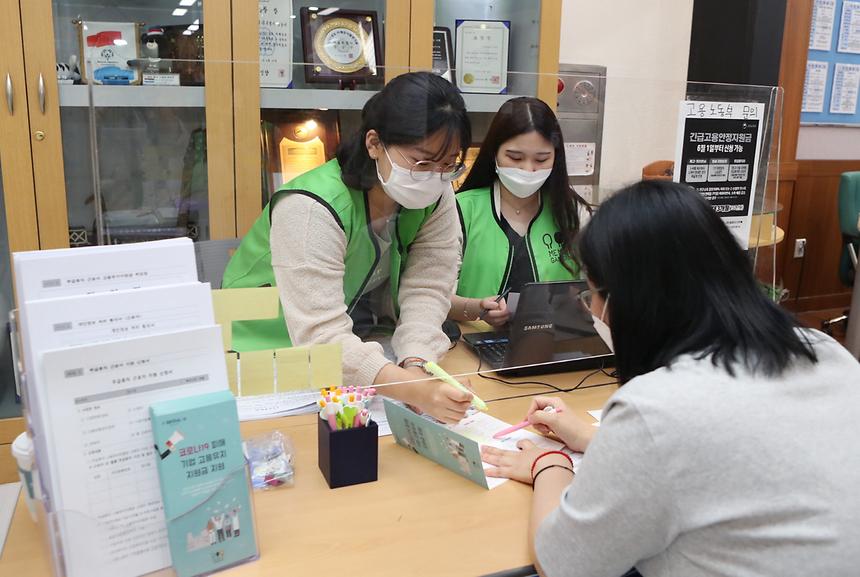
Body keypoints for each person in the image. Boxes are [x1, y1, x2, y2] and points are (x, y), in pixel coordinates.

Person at [480, 180, 860, 576]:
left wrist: (550, 464)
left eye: (590, 292)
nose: (591, 308)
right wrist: (592, 439)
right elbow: (734, 452)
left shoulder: (656, 408)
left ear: (629, 299)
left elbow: (563, 565)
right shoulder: (821, 348)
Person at [222, 72, 474, 423]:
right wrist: (408, 388)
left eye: (449, 164)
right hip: (266, 357)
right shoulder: (310, 206)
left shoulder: (436, 194)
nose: (435, 176)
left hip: (352, 351)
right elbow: (319, 334)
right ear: (374, 143)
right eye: (422, 162)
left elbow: (429, 285)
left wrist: (417, 363)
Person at [449, 97, 591, 327]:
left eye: (541, 159)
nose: (528, 169)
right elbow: (432, 298)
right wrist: (474, 308)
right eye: (515, 158)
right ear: (494, 153)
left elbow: (597, 287)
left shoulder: (573, 213)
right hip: (474, 344)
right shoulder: (461, 210)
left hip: (555, 342)